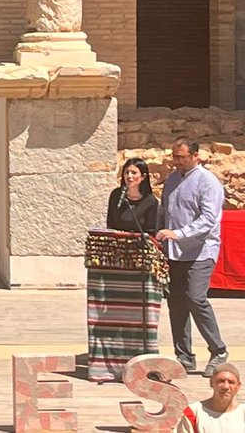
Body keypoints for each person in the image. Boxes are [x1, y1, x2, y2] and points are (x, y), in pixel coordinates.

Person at [158, 136, 229, 377]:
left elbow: (209, 219)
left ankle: (218, 349)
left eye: (181, 157)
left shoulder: (208, 182)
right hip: (174, 251)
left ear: (195, 156)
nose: (176, 161)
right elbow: (165, 211)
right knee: (176, 302)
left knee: (196, 298)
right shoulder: (172, 180)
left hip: (200, 250)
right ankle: (184, 356)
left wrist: (179, 234)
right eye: (174, 156)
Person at [177, 363, 245, 433]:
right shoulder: (194, 412)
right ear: (211, 382)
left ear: (238, 386)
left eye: (231, 382)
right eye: (221, 381)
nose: (226, 386)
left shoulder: (243, 413)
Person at [105, 157, 160, 235]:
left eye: (134, 173)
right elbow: (110, 224)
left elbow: (151, 231)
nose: (129, 176)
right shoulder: (116, 195)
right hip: (116, 241)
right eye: (126, 172)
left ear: (143, 176)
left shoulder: (150, 201)